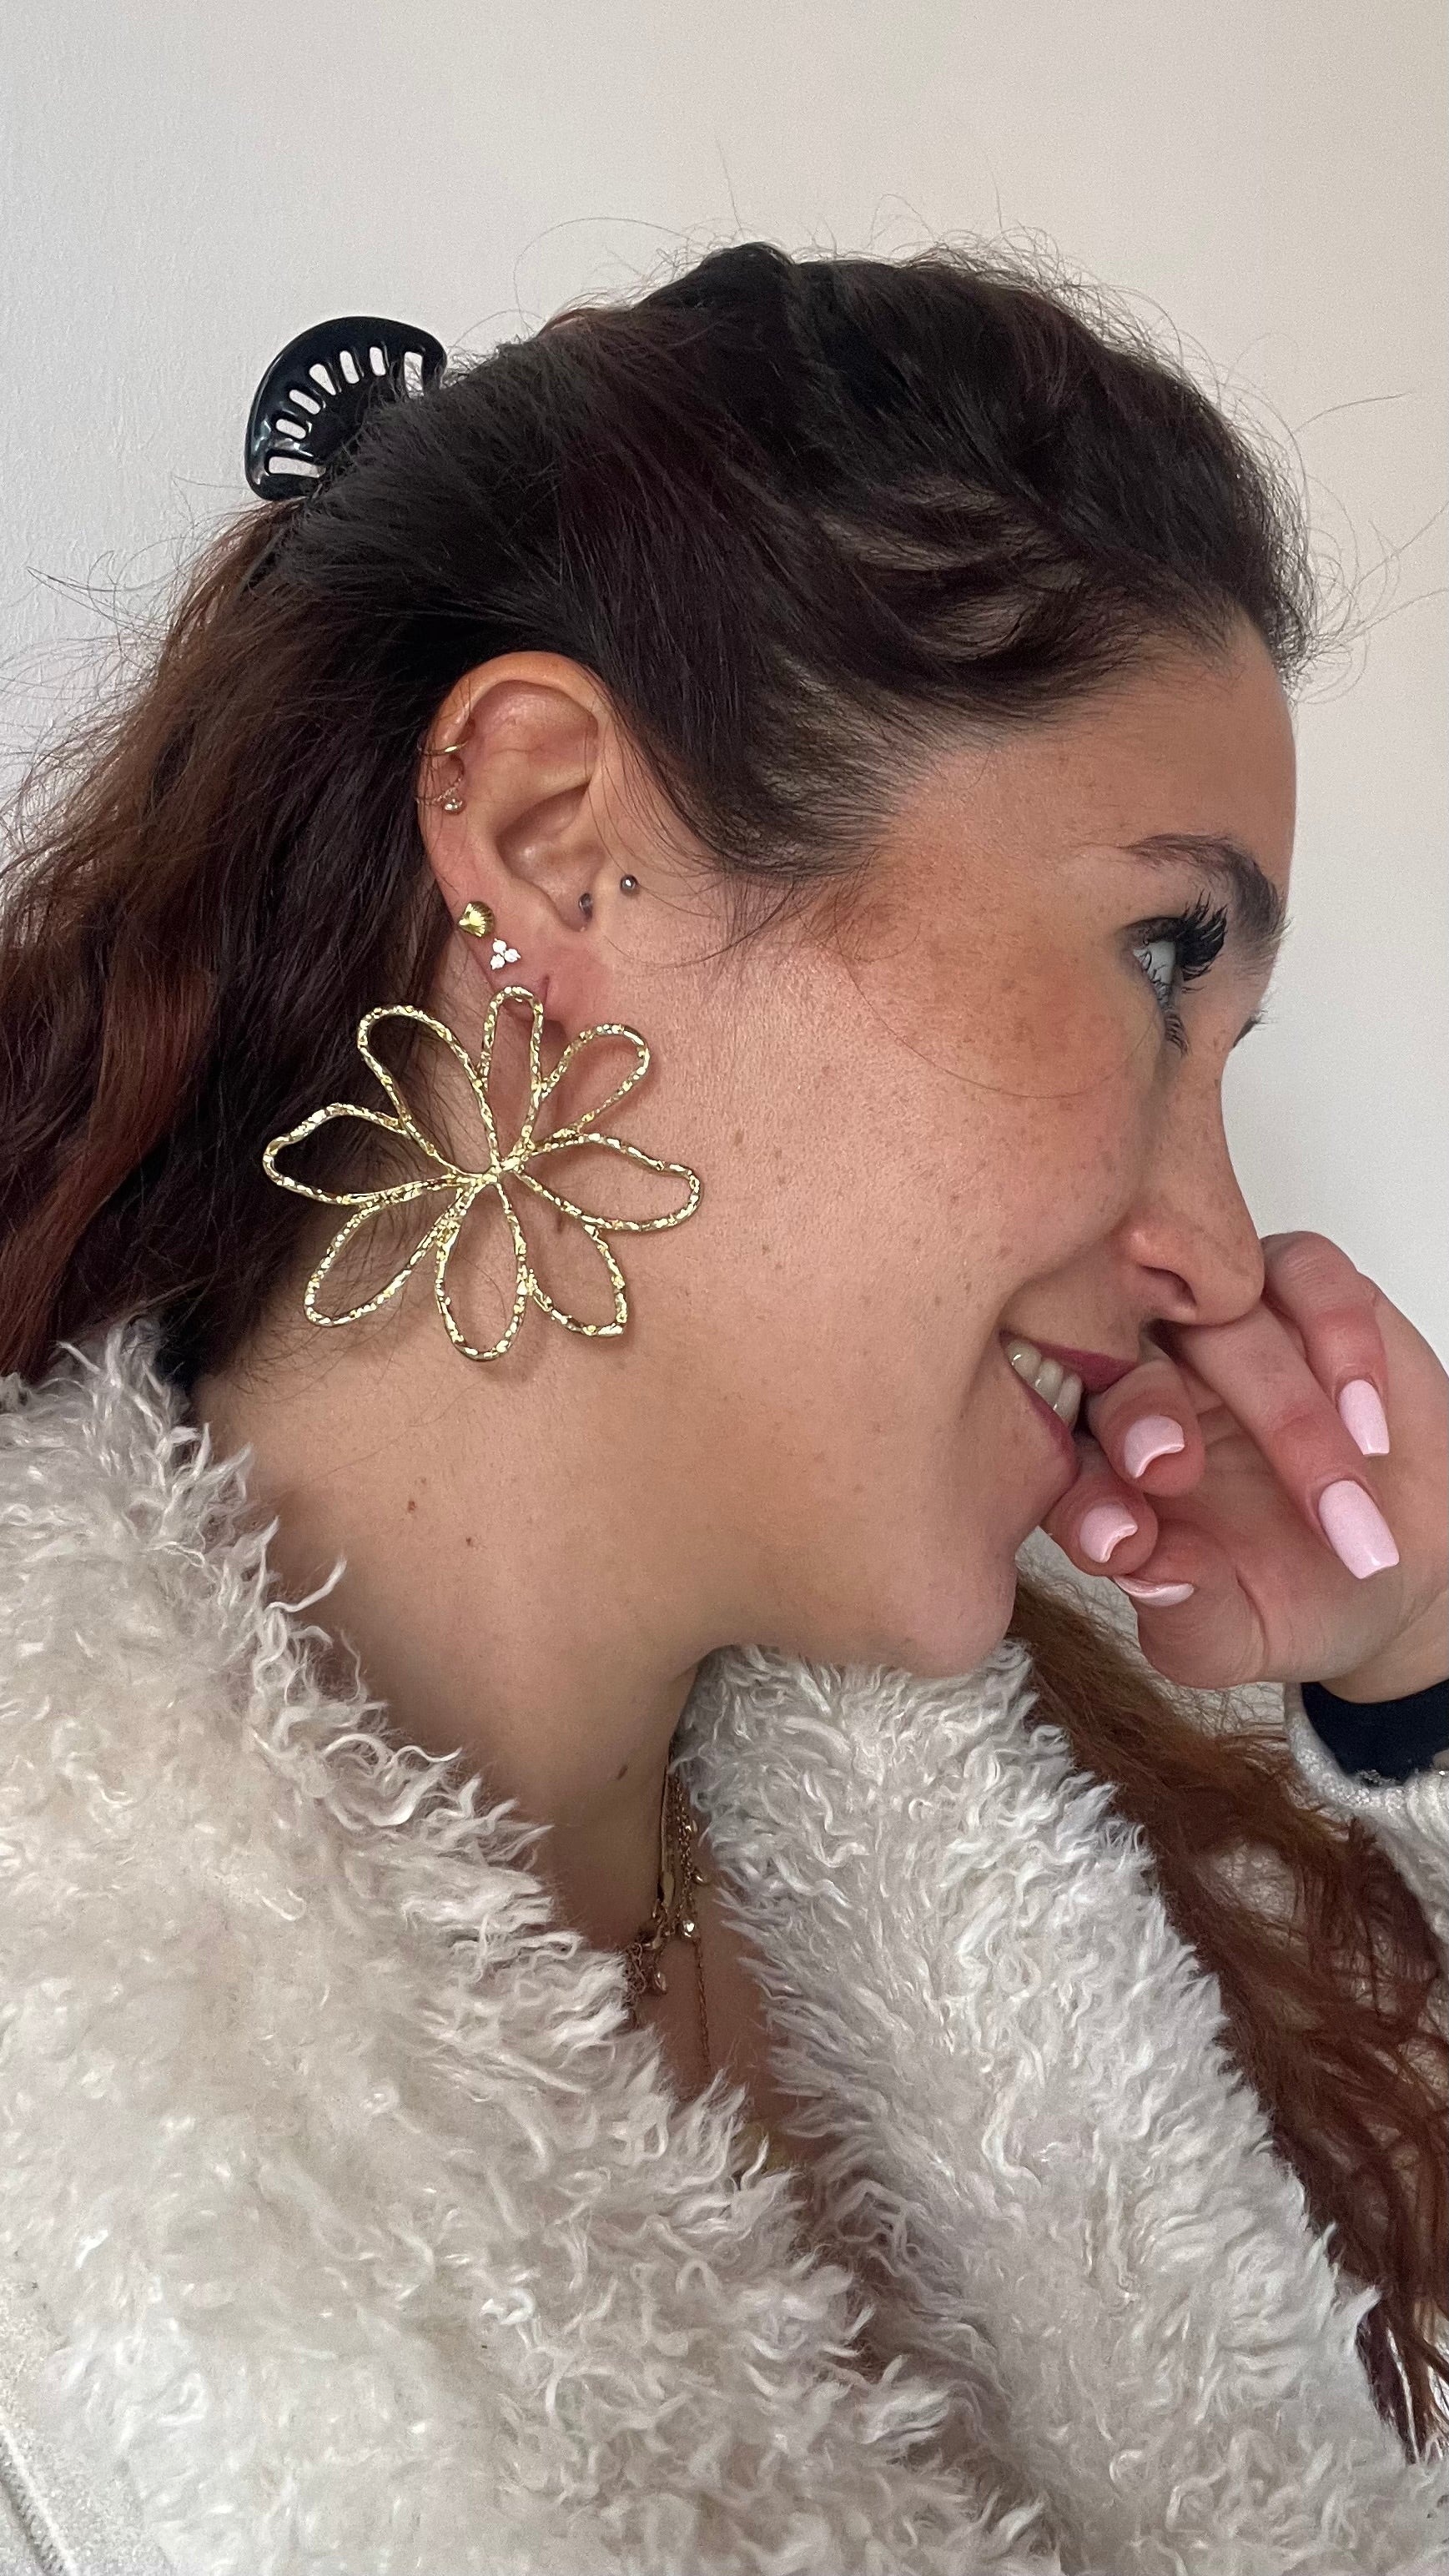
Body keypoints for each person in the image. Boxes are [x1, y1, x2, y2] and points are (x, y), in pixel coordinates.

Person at [0, 244, 1444, 2576]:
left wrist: (1412, 1677)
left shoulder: (1078, 1829)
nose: (1214, 1240)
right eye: (1161, 962)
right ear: (556, 832)